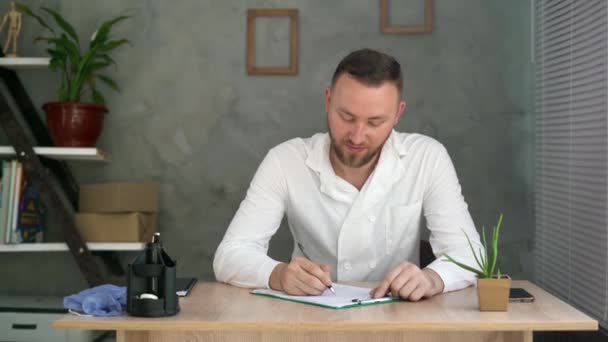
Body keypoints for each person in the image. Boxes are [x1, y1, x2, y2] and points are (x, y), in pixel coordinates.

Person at [213, 48, 483, 301]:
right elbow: (230, 256)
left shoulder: (427, 158)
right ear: (328, 101)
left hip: (398, 321)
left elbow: (469, 254)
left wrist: (433, 278)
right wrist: (278, 275)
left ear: (398, 114)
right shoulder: (285, 161)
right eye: (347, 117)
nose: (357, 135)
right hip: (310, 319)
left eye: (375, 122)